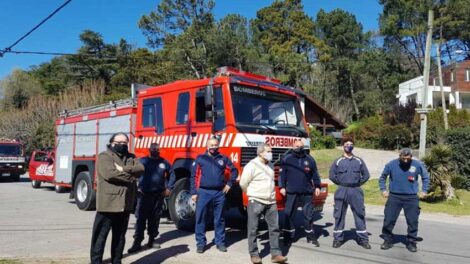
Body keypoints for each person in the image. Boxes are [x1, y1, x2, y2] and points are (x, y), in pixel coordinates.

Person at [90, 133, 144, 264]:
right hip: (108, 204)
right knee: (100, 238)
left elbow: (141, 169)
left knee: (120, 237)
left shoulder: (131, 157)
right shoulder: (105, 156)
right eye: (120, 142)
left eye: (125, 142)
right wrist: (131, 176)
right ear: (112, 142)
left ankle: (117, 261)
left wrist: (123, 168)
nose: (123, 145)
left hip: (125, 205)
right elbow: (110, 174)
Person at [240, 143, 288, 264]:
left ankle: (276, 254)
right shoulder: (251, 166)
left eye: (270, 151)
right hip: (256, 200)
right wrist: (251, 194)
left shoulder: (271, 165)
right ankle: (254, 255)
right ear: (261, 153)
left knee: (275, 228)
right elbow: (243, 183)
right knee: (253, 229)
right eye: (268, 151)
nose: (271, 153)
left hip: (271, 201)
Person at [190, 137, 238, 253]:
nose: (213, 147)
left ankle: (220, 242)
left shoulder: (223, 158)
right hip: (203, 192)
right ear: (207, 146)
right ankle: (201, 243)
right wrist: (194, 193)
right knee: (201, 218)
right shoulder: (200, 158)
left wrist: (229, 184)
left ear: (218, 145)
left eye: (215, 144)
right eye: (211, 145)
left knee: (219, 219)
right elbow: (193, 176)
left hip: (219, 193)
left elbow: (234, 171)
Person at [379, 148, 430, 252]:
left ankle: (411, 241)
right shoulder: (391, 164)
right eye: (403, 158)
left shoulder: (417, 164)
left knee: (412, 221)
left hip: (411, 198)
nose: (406, 160)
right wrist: (383, 190)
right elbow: (382, 177)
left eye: (408, 158)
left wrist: (424, 191)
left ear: (411, 156)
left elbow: (426, 177)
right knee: (389, 219)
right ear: (400, 156)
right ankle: (387, 240)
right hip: (394, 196)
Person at [128, 143, 173, 253]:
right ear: (149, 150)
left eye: (157, 149)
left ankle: (151, 240)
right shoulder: (142, 161)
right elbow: (132, 173)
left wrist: (169, 188)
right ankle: (137, 242)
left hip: (158, 195)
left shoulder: (164, 162)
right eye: (153, 149)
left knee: (155, 219)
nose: (155, 151)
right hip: (144, 195)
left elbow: (172, 174)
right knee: (141, 220)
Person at [329, 138, 371, 249]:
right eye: (347, 144)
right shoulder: (338, 161)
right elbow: (332, 176)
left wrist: (357, 184)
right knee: (339, 215)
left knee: (360, 215)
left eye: (351, 144)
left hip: (356, 190)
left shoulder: (359, 160)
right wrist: (342, 183)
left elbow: (366, 175)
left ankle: (363, 239)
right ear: (343, 146)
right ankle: (338, 239)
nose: (349, 146)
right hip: (342, 190)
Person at [279, 140, 321, 246]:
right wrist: (282, 187)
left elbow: (315, 174)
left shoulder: (310, 159)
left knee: (309, 215)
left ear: (304, 147)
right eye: (297, 146)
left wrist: (317, 186)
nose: (299, 148)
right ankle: (288, 237)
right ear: (292, 147)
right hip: (292, 192)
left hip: (306, 192)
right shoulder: (287, 159)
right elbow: (282, 175)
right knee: (289, 214)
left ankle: (311, 237)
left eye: (301, 146)